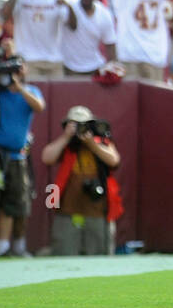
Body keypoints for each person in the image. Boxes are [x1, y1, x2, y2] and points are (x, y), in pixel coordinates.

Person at [0, 53, 45, 258]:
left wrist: (19, 87)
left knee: (11, 203)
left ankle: (3, 246)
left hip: (16, 157)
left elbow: (39, 107)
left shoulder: (30, 91)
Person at [40, 105, 122, 255]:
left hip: (97, 211)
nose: (80, 129)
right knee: (63, 253)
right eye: (76, 124)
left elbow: (114, 160)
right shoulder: (67, 145)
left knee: (99, 255)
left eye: (84, 124)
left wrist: (92, 144)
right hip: (68, 211)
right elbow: (47, 157)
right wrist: (66, 136)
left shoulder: (102, 142)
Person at [5, 0, 75, 79]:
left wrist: (68, 7)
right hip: (28, 59)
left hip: (54, 60)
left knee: (59, 97)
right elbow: (5, 15)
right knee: (32, 96)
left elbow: (73, 25)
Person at [62, 0, 118, 77]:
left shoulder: (104, 13)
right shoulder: (70, 4)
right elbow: (72, 26)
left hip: (94, 66)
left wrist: (112, 67)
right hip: (70, 66)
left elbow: (110, 43)